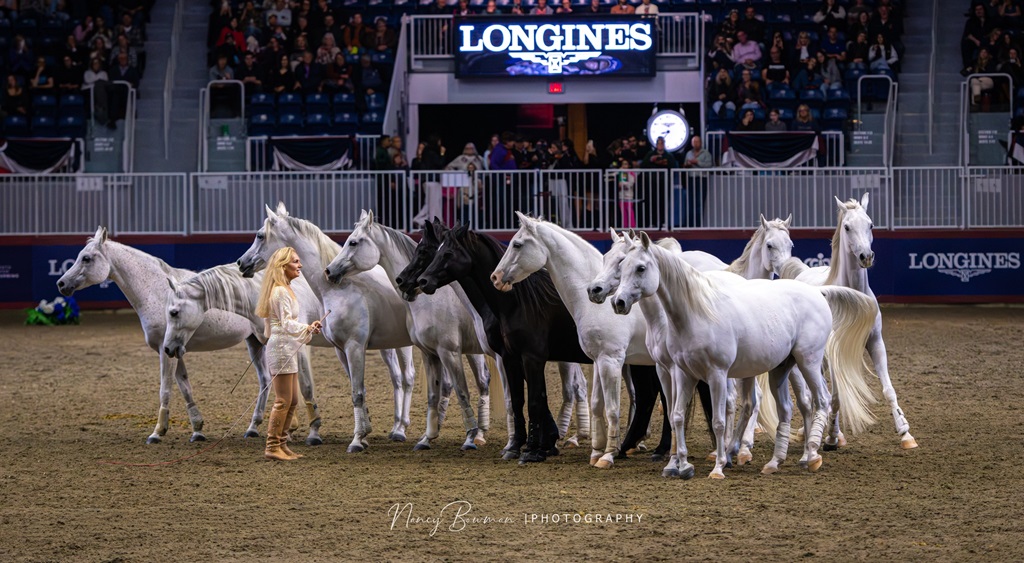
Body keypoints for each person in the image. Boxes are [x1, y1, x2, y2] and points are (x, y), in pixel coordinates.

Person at [256, 246, 322, 461]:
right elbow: (285, 324)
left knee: (292, 400)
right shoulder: (281, 291)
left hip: (287, 347)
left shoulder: (284, 289)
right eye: (295, 261)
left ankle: (281, 444)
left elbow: (279, 326)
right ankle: (272, 446)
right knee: (283, 400)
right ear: (283, 266)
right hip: (281, 349)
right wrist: (306, 328)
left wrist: (306, 329)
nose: (299, 265)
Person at [682, 136, 712, 228]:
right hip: (691, 179)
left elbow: (709, 165)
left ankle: (698, 225)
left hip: (701, 179)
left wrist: (697, 162)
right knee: (691, 202)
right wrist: (687, 165)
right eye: (694, 142)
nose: (696, 143)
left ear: (701, 143)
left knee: (700, 202)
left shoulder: (706, 153)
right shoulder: (688, 153)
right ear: (692, 143)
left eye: (697, 141)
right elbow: (684, 165)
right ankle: (690, 225)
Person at [616, 160, 636, 228]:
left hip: (629, 195)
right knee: (623, 211)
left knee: (629, 210)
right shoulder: (620, 173)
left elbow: (631, 183)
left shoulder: (631, 173)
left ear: (629, 165)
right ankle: (625, 226)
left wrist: (624, 184)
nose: (624, 166)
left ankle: (632, 226)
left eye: (626, 164)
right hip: (621, 195)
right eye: (623, 164)